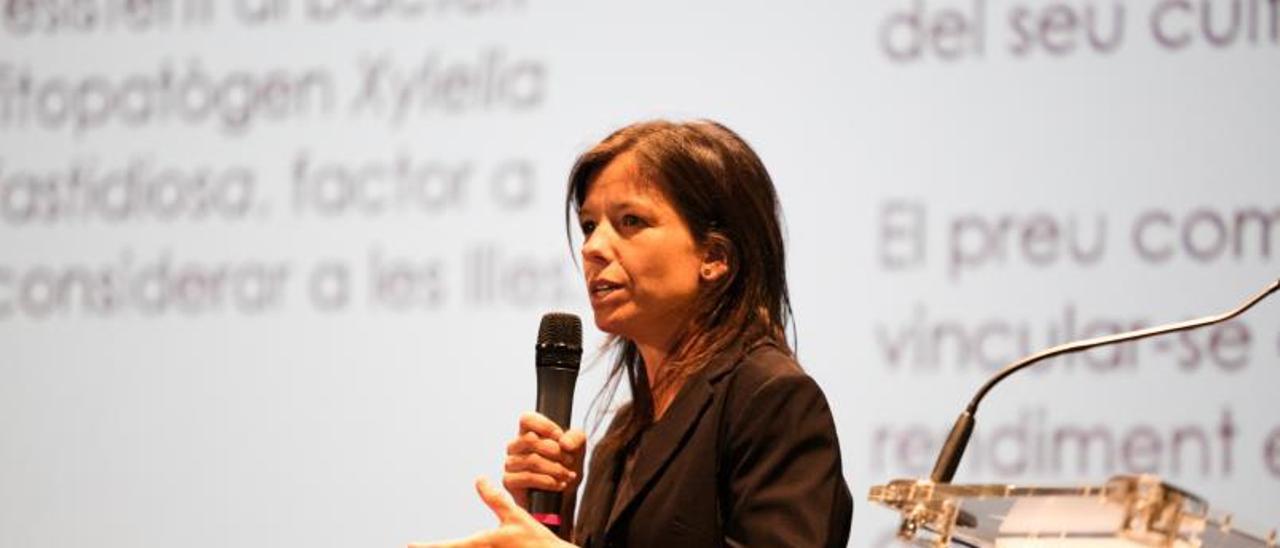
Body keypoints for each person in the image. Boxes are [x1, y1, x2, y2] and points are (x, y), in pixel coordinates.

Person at [412, 120, 853, 547]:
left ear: (714, 257)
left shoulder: (772, 400)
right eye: (588, 226)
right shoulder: (624, 434)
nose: (593, 247)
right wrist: (554, 526)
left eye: (630, 221)